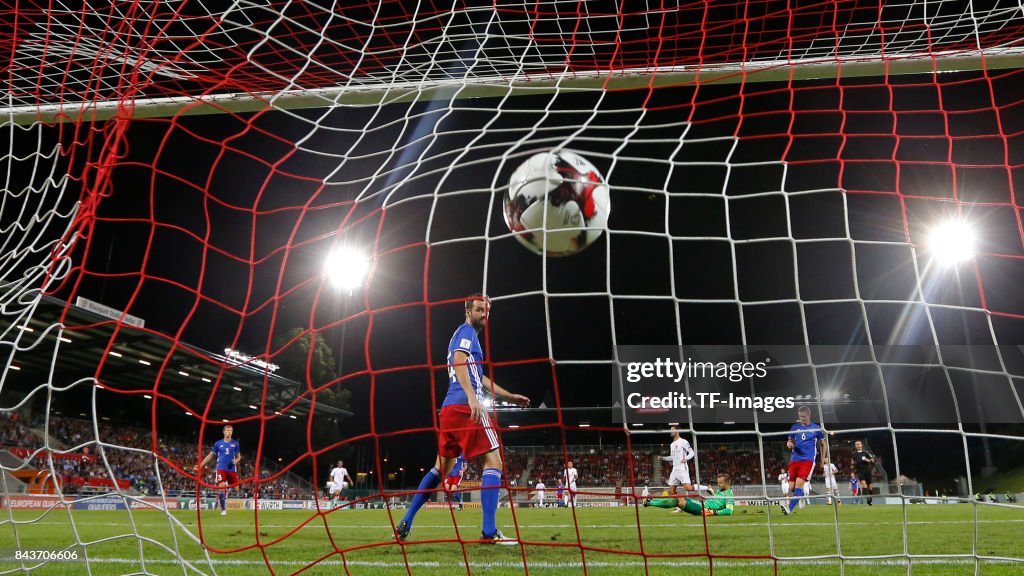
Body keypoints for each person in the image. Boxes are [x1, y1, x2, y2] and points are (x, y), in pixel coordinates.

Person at [395, 295, 530, 544]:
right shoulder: (466, 331)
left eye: (486, 311)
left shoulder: (467, 337)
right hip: (463, 408)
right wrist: (471, 397)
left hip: (448, 411)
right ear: (468, 311)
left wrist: (509, 397)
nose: (484, 314)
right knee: (494, 462)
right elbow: (459, 361)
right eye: (479, 309)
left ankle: (407, 519)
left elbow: (480, 378)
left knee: (440, 469)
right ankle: (489, 532)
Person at [780, 406, 826, 515]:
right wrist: (789, 444)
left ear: (809, 415)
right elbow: (789, 441)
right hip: (794, 459)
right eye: (800, 417)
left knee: (798, 486)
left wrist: (823, 459)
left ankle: (789, 509)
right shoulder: (795, 427)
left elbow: (823, 445)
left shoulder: (816, 428)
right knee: (791, 488)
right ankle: (801, 496)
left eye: (804, 416)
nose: (802, 419)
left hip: (807, 460)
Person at [196, 424, 241, 516]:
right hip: (221, 467)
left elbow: (239, 456)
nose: (229, 432)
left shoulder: (235, 443)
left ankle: (227, 488)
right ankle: (223, 509)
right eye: (227, 430)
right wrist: (200, 465)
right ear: (224, 432)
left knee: (236, 489)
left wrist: (236, 460)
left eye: (231, 430)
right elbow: (210, 455)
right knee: (221, 488)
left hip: (231, 468)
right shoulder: (218, 443)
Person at [661, 429, 710, 513]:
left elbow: (692, 453)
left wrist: (686, 459)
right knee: (672, 491)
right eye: (671, 430)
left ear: (678, 431)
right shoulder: (672, 444)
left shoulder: (683, 441)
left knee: (688, 488)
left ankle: (707, 488)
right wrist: (663, 458)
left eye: (673, 430)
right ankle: (680, 507)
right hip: (674, 469)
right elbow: (672, 457)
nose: (671, 432)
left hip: (682, 468)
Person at [644, 473, 735, 516]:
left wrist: (714, 512)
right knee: (677, 497)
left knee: (677, 500)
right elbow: (717, 502)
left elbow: (729, 511)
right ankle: (649, 501)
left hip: (703, 509)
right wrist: (712, 493)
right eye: (718, 483)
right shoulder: (720, 491)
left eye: (721, 483)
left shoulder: (729, 495)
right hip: (700, 504)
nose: (718, 485)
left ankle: (649, 501)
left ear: (727, 483)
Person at [851, 440, 877, 506]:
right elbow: (852, 463)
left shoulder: (866, 453)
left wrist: (868, 460)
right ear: (855, 446)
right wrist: (852, 471)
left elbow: (873, 461)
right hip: (860, 472)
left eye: (859, 444)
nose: (858, 445)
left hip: (867, 471)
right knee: (863, 484)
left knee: (870, 486)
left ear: (861, 445)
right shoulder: (854, 454)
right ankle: (868, 499)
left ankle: (870, 498)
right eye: (856, 444)